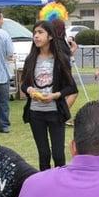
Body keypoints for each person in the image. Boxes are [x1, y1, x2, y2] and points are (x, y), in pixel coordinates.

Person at [21, 21, 77, 171]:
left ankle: (61, 185)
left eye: (40, 32)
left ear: (50, 36)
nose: (36, 36)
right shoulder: (31, 59)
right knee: (43, 154)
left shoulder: (60, 59)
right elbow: (24, 85)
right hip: (35, 113)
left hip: (55, 112)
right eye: (35, 33)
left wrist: (55, 95)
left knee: (58, 155)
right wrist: (30, 90)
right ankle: (45, 186)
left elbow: (72, 87)